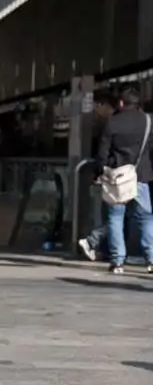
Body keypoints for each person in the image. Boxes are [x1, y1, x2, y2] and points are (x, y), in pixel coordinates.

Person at [96, 87, 153, 274]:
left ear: (121, 103)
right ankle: (151, 259)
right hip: (141, 176)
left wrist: (100, 171)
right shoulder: (148, 121)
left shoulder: (113, 123)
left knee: (115, 218)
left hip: (117, 177)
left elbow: (102, 153)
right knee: (145, 218)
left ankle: (117, 261)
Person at [78, 90, 119, 261]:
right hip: (116, 175)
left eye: (97, 105)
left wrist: (99, 171)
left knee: (115, 214)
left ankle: (96, 243)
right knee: (117, 215)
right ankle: (98, 244)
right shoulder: (109, 124)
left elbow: (103, 153)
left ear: (105, 105)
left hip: (112, 175)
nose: (95, 110)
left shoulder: (110, 125)